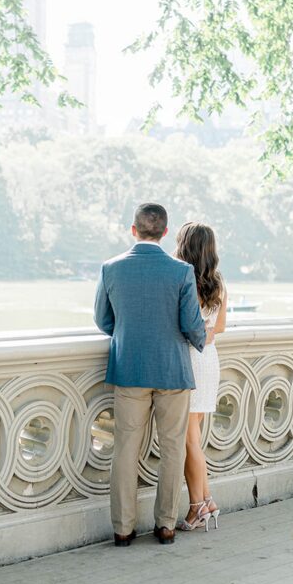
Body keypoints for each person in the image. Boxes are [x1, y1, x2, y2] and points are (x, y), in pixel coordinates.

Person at [94, 203, 206, 547]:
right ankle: (166, 525)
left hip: (129, 369)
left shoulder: (111, 268)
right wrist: (203, 340)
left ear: (134, 230)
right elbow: (192, 326)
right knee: (172, 449)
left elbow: (103, 320)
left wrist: (128, 335)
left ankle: (123, 529)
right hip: (172, 370)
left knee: (125, 449)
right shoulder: (181, 271)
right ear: (165, 232)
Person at [174, 223, 227, 532]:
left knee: (189, 441)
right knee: (193, 439)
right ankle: (207, 502)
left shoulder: (183, 280)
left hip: (190, 359)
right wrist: (206, 334)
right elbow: (219, 327)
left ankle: (198, 507)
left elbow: (181, 326)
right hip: (209, 359)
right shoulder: (218, 282)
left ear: (186, 246)